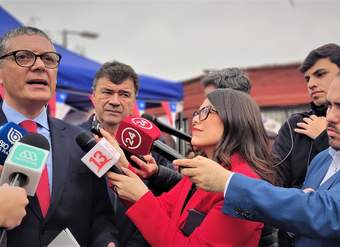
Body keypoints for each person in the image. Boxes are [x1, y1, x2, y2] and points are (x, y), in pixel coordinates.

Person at [175, 74, 340, 247]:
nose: (330, 116)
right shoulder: (323, 159)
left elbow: (324, 212)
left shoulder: (237, 175)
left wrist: (229, 183)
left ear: (234, 118)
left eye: (209, 110)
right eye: (329, 105)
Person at [106, 88, 277, 246]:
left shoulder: (242, 185)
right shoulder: (204, 170)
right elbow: (163, 209)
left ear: (235, 118)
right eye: (197, 112)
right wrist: (122, 166)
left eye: (206, 112)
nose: (195, 119)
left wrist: (141, 196)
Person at [0, 26, 117, 246]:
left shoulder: (81, 141)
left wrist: (106, 241)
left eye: (49, 59)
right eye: (23, 57)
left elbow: (101, 216)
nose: (39, 65)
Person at [79, 61, 175, 247]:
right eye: (107, 92)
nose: (115, 101)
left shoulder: (153, 146)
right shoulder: (72, 138)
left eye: (124, 94)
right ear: (93, 96)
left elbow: (168, 201)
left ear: (134, 101)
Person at [274, 43, 340, 189]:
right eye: (307, 79)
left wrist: (324, 137)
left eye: (320, 74)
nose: (311, 84)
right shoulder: (295, 126)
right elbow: (274, 185)